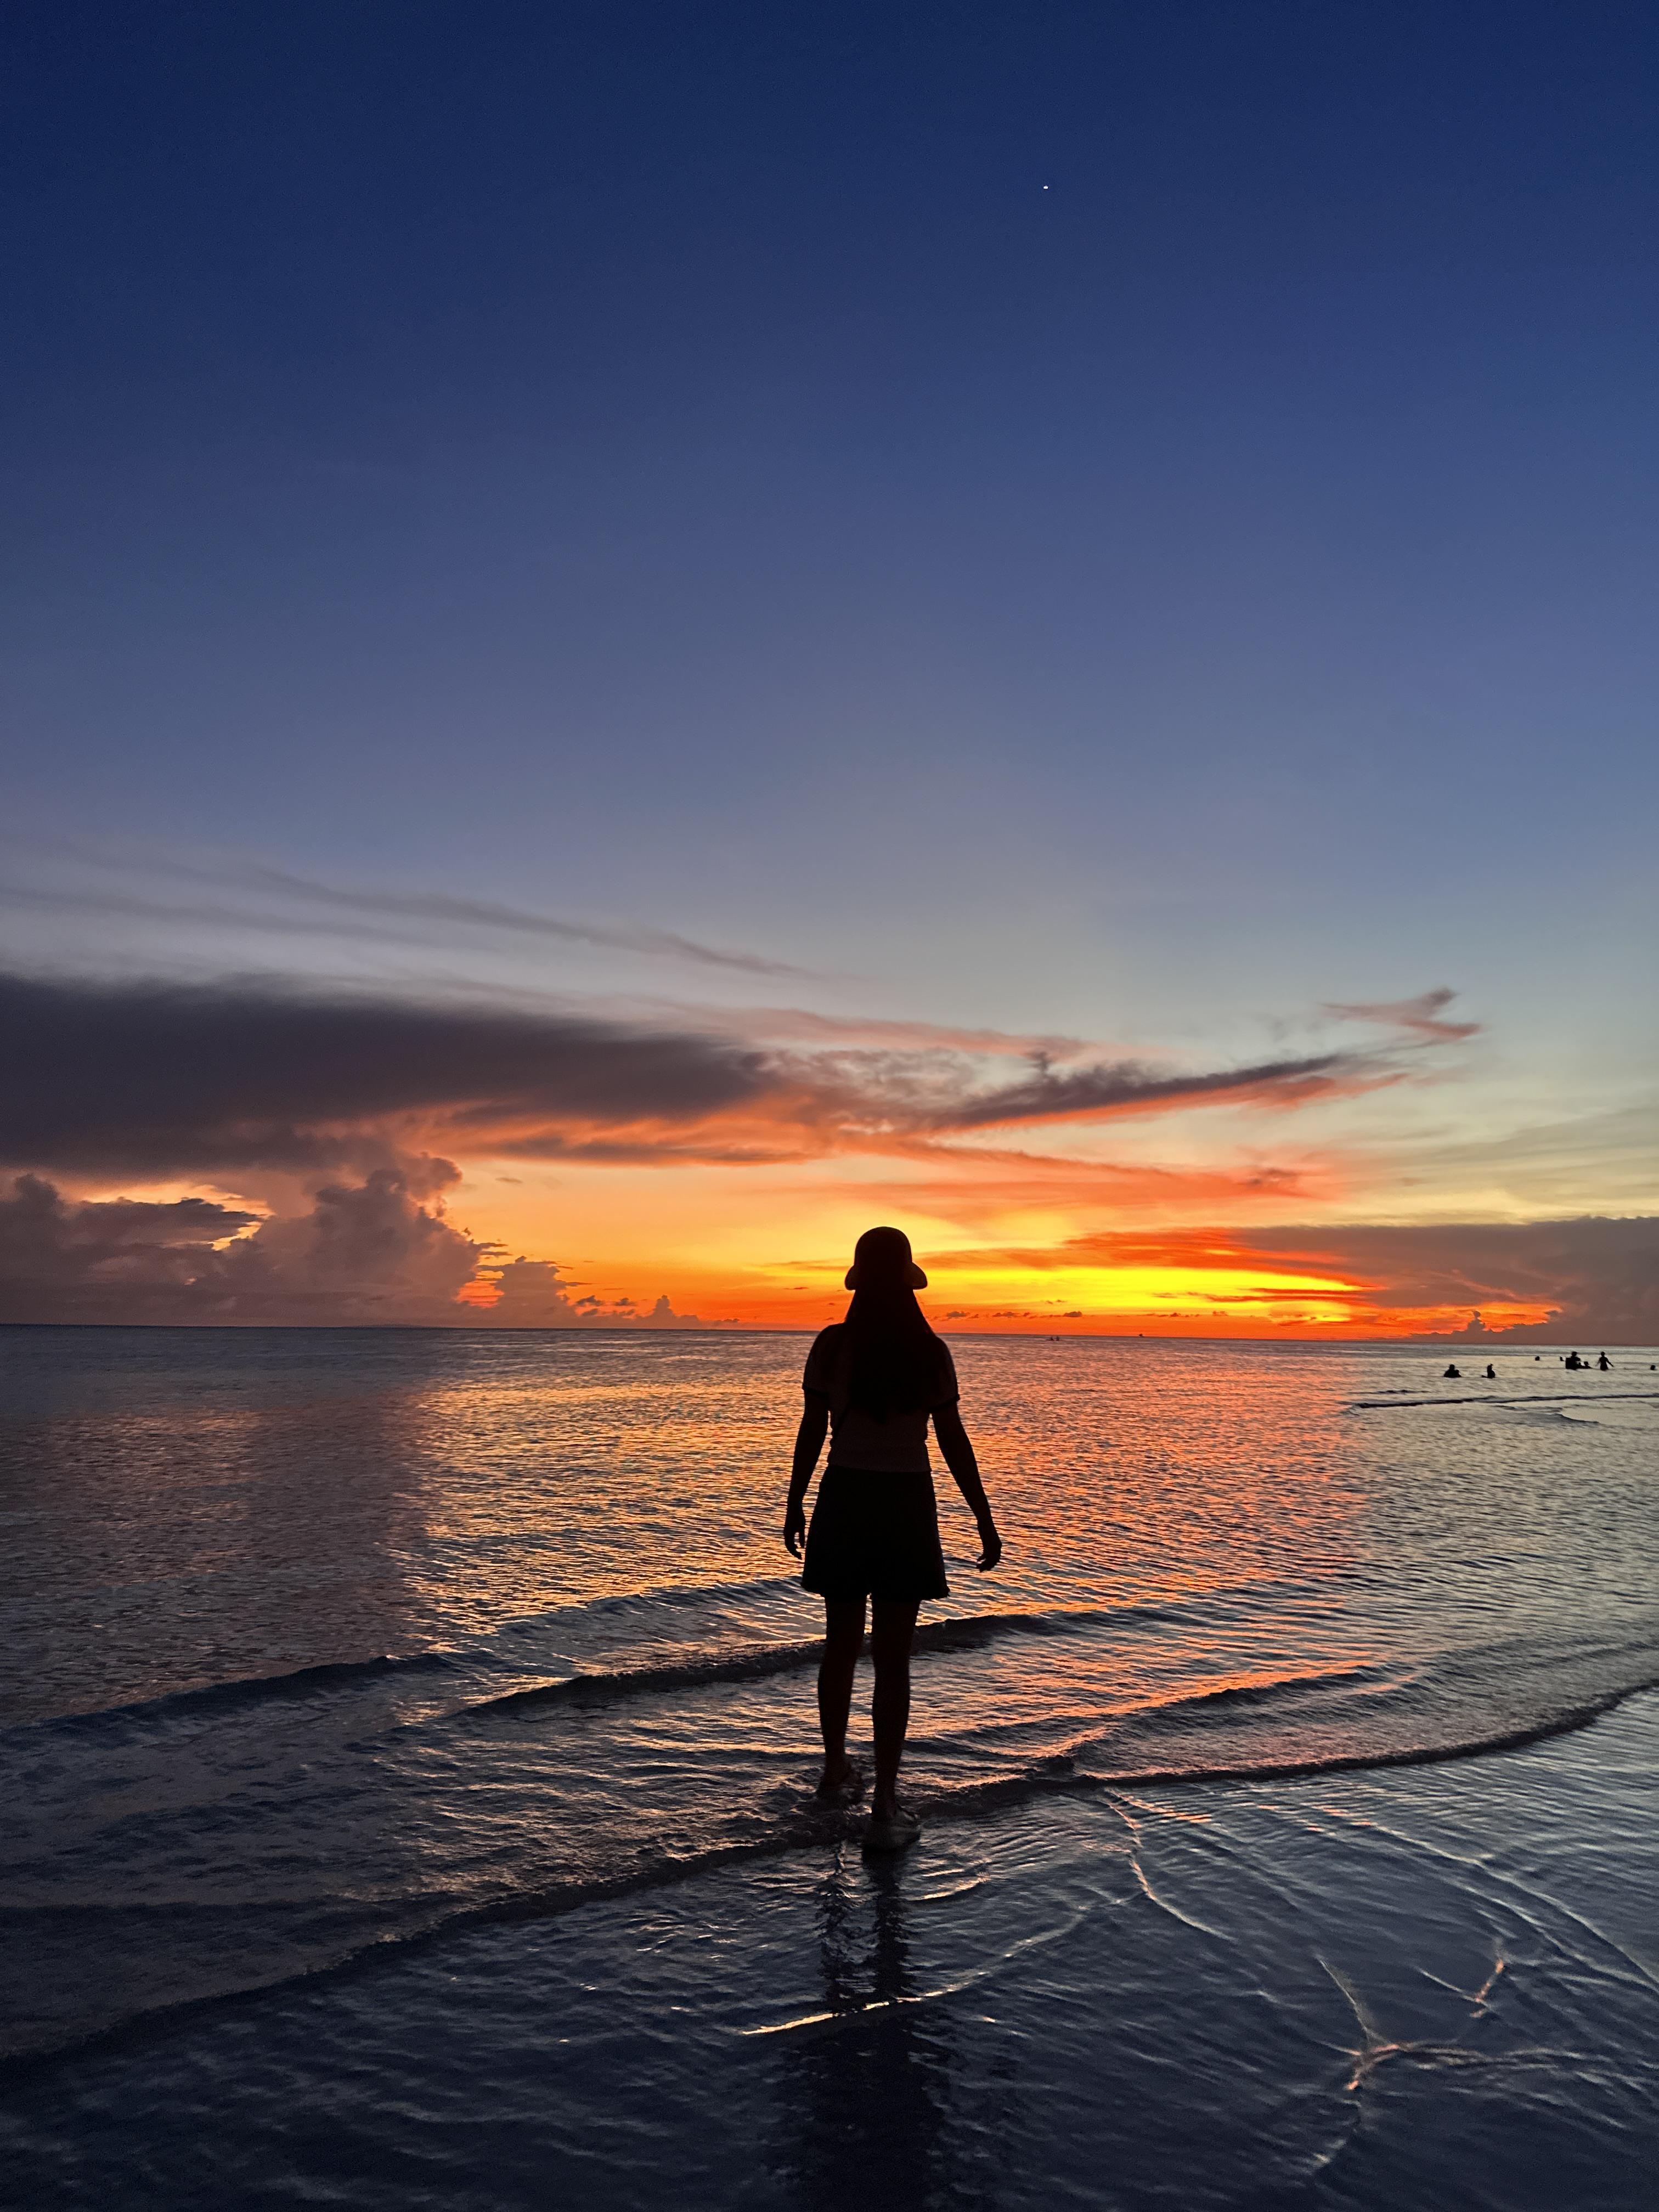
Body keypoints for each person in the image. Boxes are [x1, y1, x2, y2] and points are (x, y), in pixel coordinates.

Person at [784, 1226, 1002, 1853]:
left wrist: (795, 1500)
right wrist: (982, 1516)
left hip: (845, 1497)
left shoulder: (831, 1348)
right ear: (909, 1281)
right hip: (905, 1503)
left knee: (840, 1646)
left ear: (858, 1280)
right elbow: (952, 1439)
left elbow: (812, 1431)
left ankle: (834, 1772)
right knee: (894, 1661)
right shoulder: (930, 1352)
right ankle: (884, 1804)